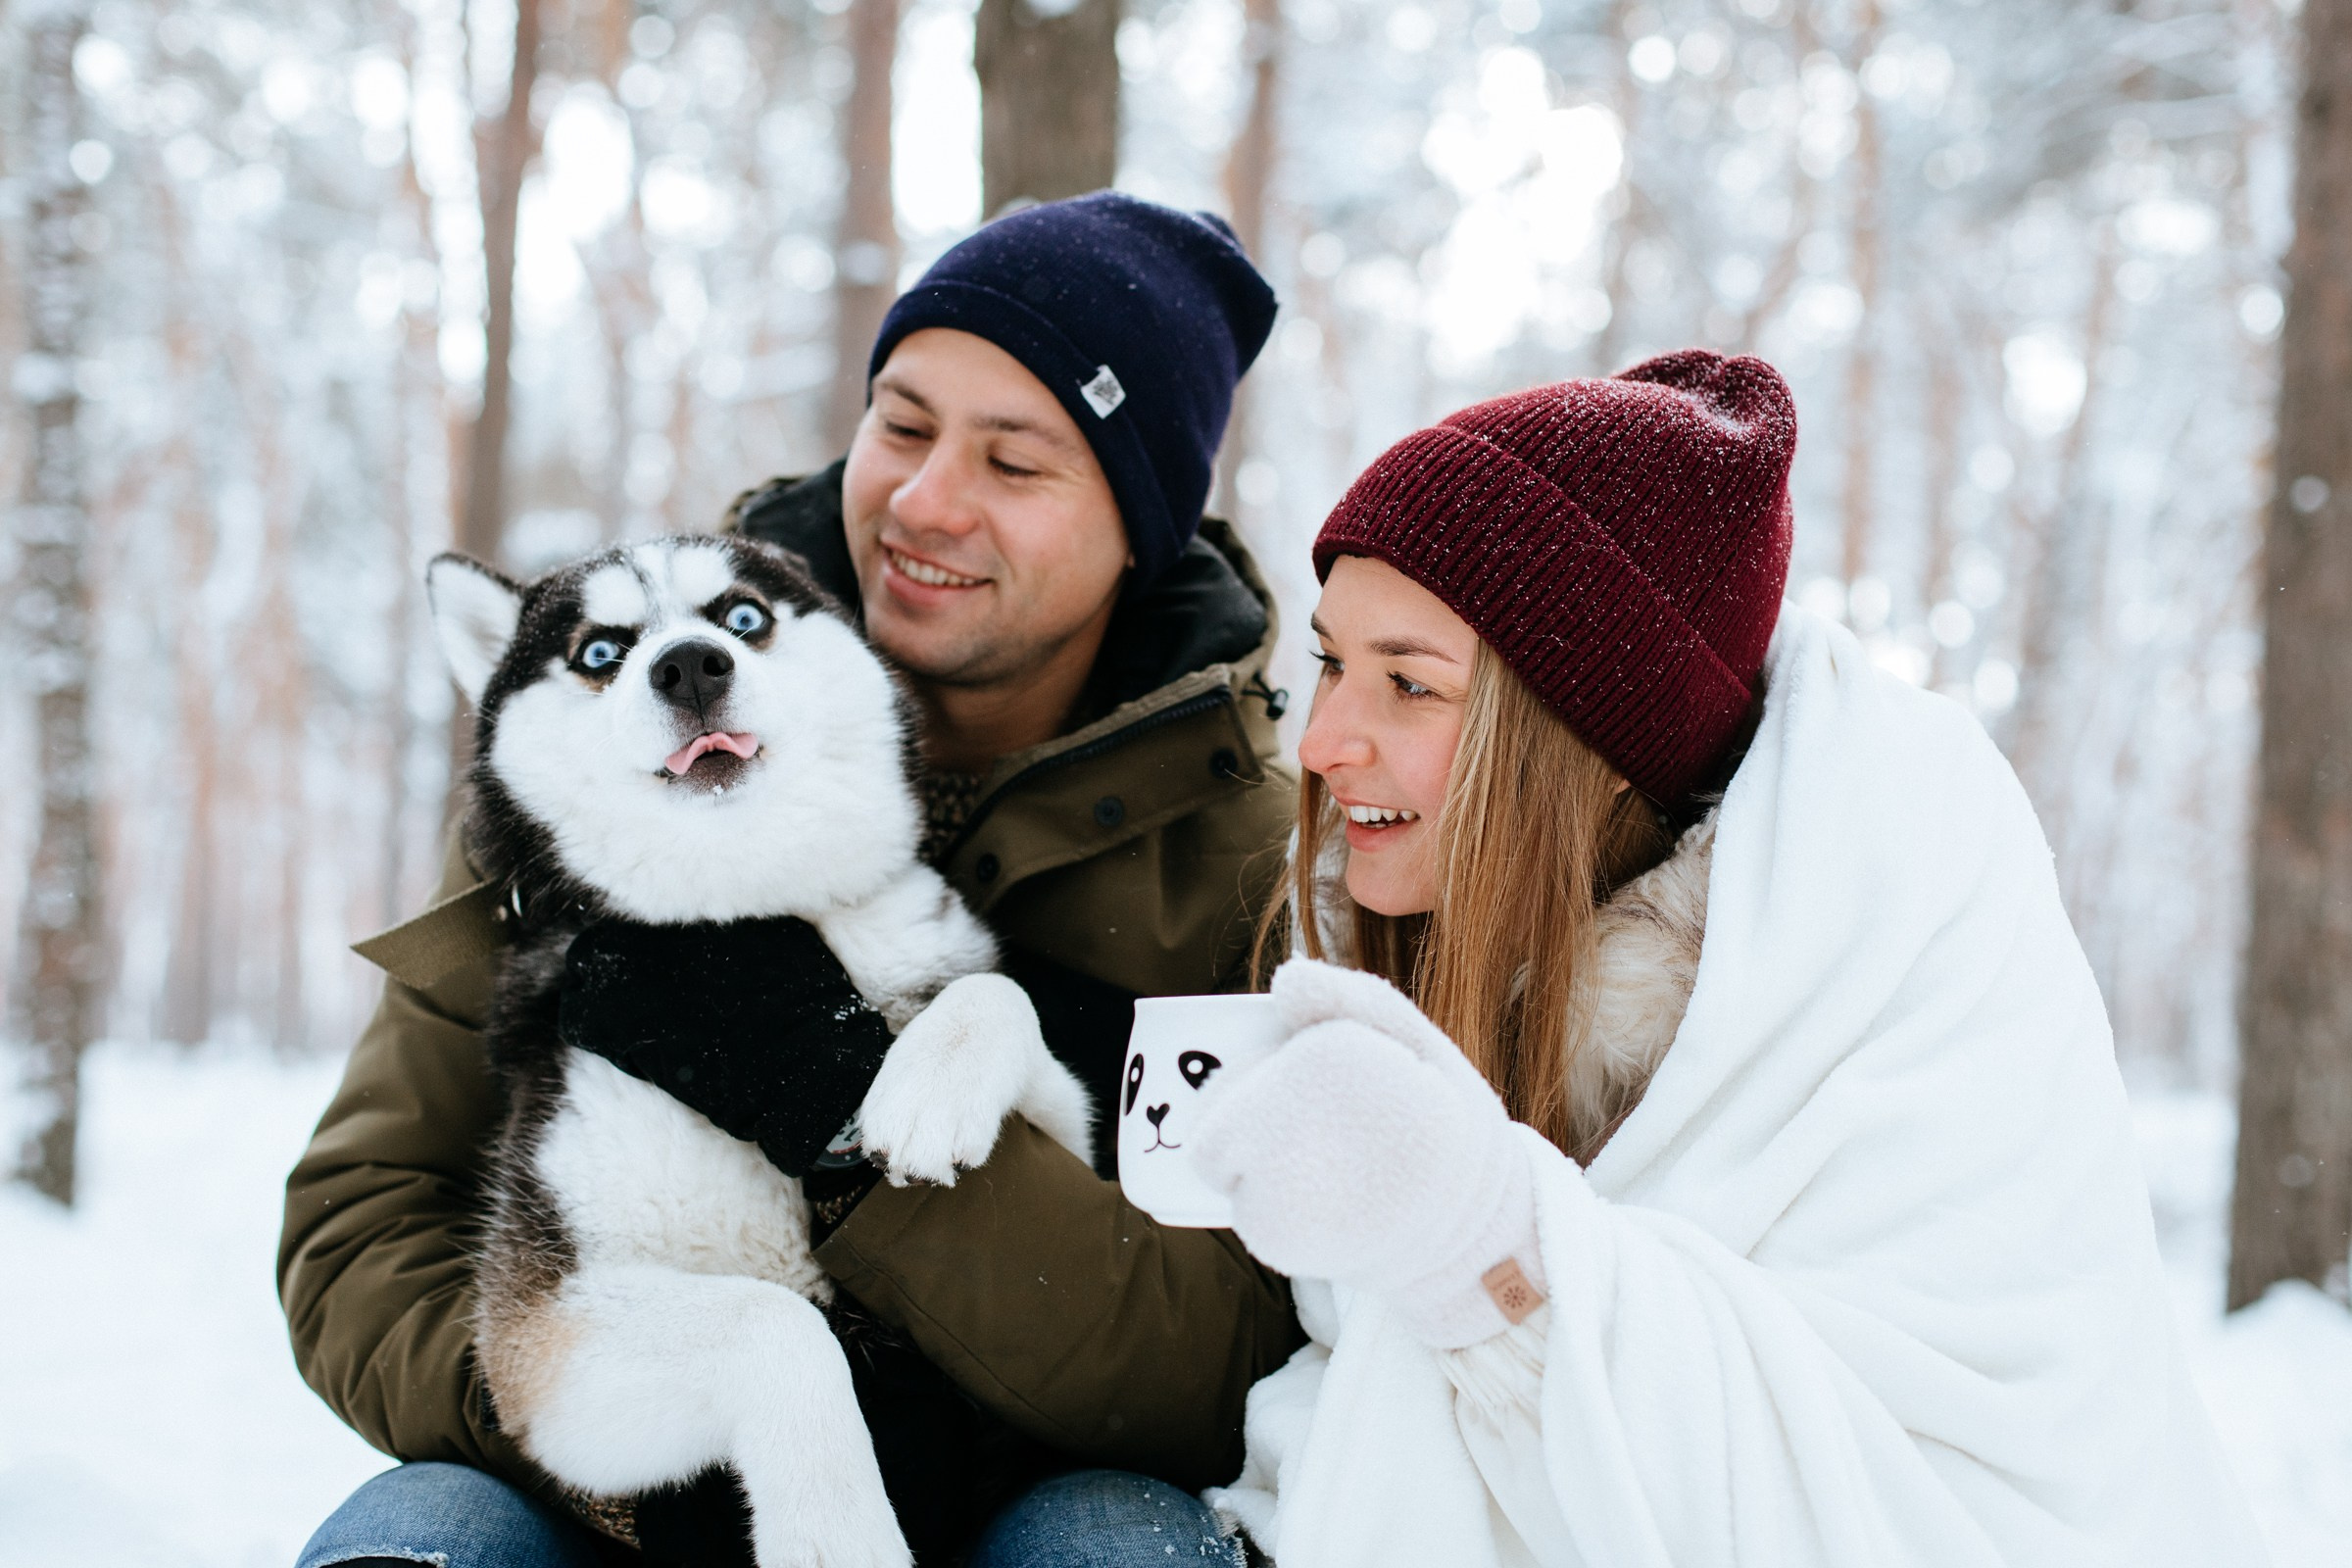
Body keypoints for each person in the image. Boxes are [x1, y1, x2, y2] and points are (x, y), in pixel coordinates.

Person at [284, 193, 1296, 1568]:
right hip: (638, 1449)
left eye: (1017, 461)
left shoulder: (1253, 867)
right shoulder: (599, 748)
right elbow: (365, 1216)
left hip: (1023, 1483)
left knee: (1120, 1544)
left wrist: (844, 1127)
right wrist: (574, 1409)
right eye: (903, 421)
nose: (927, 500)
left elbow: (1225, 1352)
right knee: (424, 1532)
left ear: (1138, 526)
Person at [1188, 354, 2265, 1566]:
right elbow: (1337, 1385)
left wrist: (1486, 1240)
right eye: (1331, 662)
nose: (1325, 740)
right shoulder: (1401, 939)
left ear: (1585, 745)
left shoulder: (1890, 975)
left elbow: (1943, 1508)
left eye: (1409, 684)